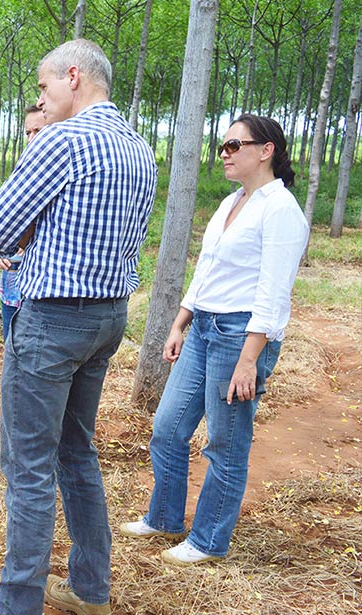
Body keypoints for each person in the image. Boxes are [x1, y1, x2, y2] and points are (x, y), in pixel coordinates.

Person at [0, 39, 158, 615]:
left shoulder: (63, 142)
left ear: (74, 76)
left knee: (28, 469)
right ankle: (91, 590)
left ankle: (16, 606)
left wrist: (31, 235)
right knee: (76, 453)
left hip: (50, 320)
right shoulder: (138, 148)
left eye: (44, 88)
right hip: (106, 318)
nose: (41, 102)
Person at [118, 114, 309, 566]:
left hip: (241, 336)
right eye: (221, 147)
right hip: (205, 327)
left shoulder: (281, 210)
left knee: (225, 442)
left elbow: (273, 292)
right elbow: (207, 270)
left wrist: (249, 361)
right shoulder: (230, 204)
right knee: (167, 428)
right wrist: (180, 322)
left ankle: (207, 540)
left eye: (233, 146)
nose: (224, 153)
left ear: (266, 151)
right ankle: (165, 516)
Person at [0, 104, 46, 340]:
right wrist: (1, 252)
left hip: (44, 295)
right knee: (12, 354)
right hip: (14, 283)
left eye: (39, 131)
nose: (32, 139)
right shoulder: (22, 174)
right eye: (28, 133)